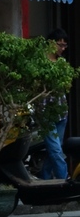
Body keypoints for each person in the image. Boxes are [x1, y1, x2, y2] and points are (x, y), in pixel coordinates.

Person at [42, 28, 69, 180]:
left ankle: (45, 180)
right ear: (51, 43)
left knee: (53, 150)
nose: (63, 49)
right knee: (55, 150)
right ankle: (64, 180)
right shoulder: (41, 62)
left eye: (65, 46)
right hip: (46, 112)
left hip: (61, 111)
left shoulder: (62, 62)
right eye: (60, 45)